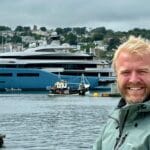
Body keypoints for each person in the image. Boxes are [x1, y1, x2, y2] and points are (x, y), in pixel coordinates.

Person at [93, 36, 150, 150]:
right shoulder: (113, 122)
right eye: (126, 72)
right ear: (116, 77)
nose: (134, 80)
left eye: (142, 71)